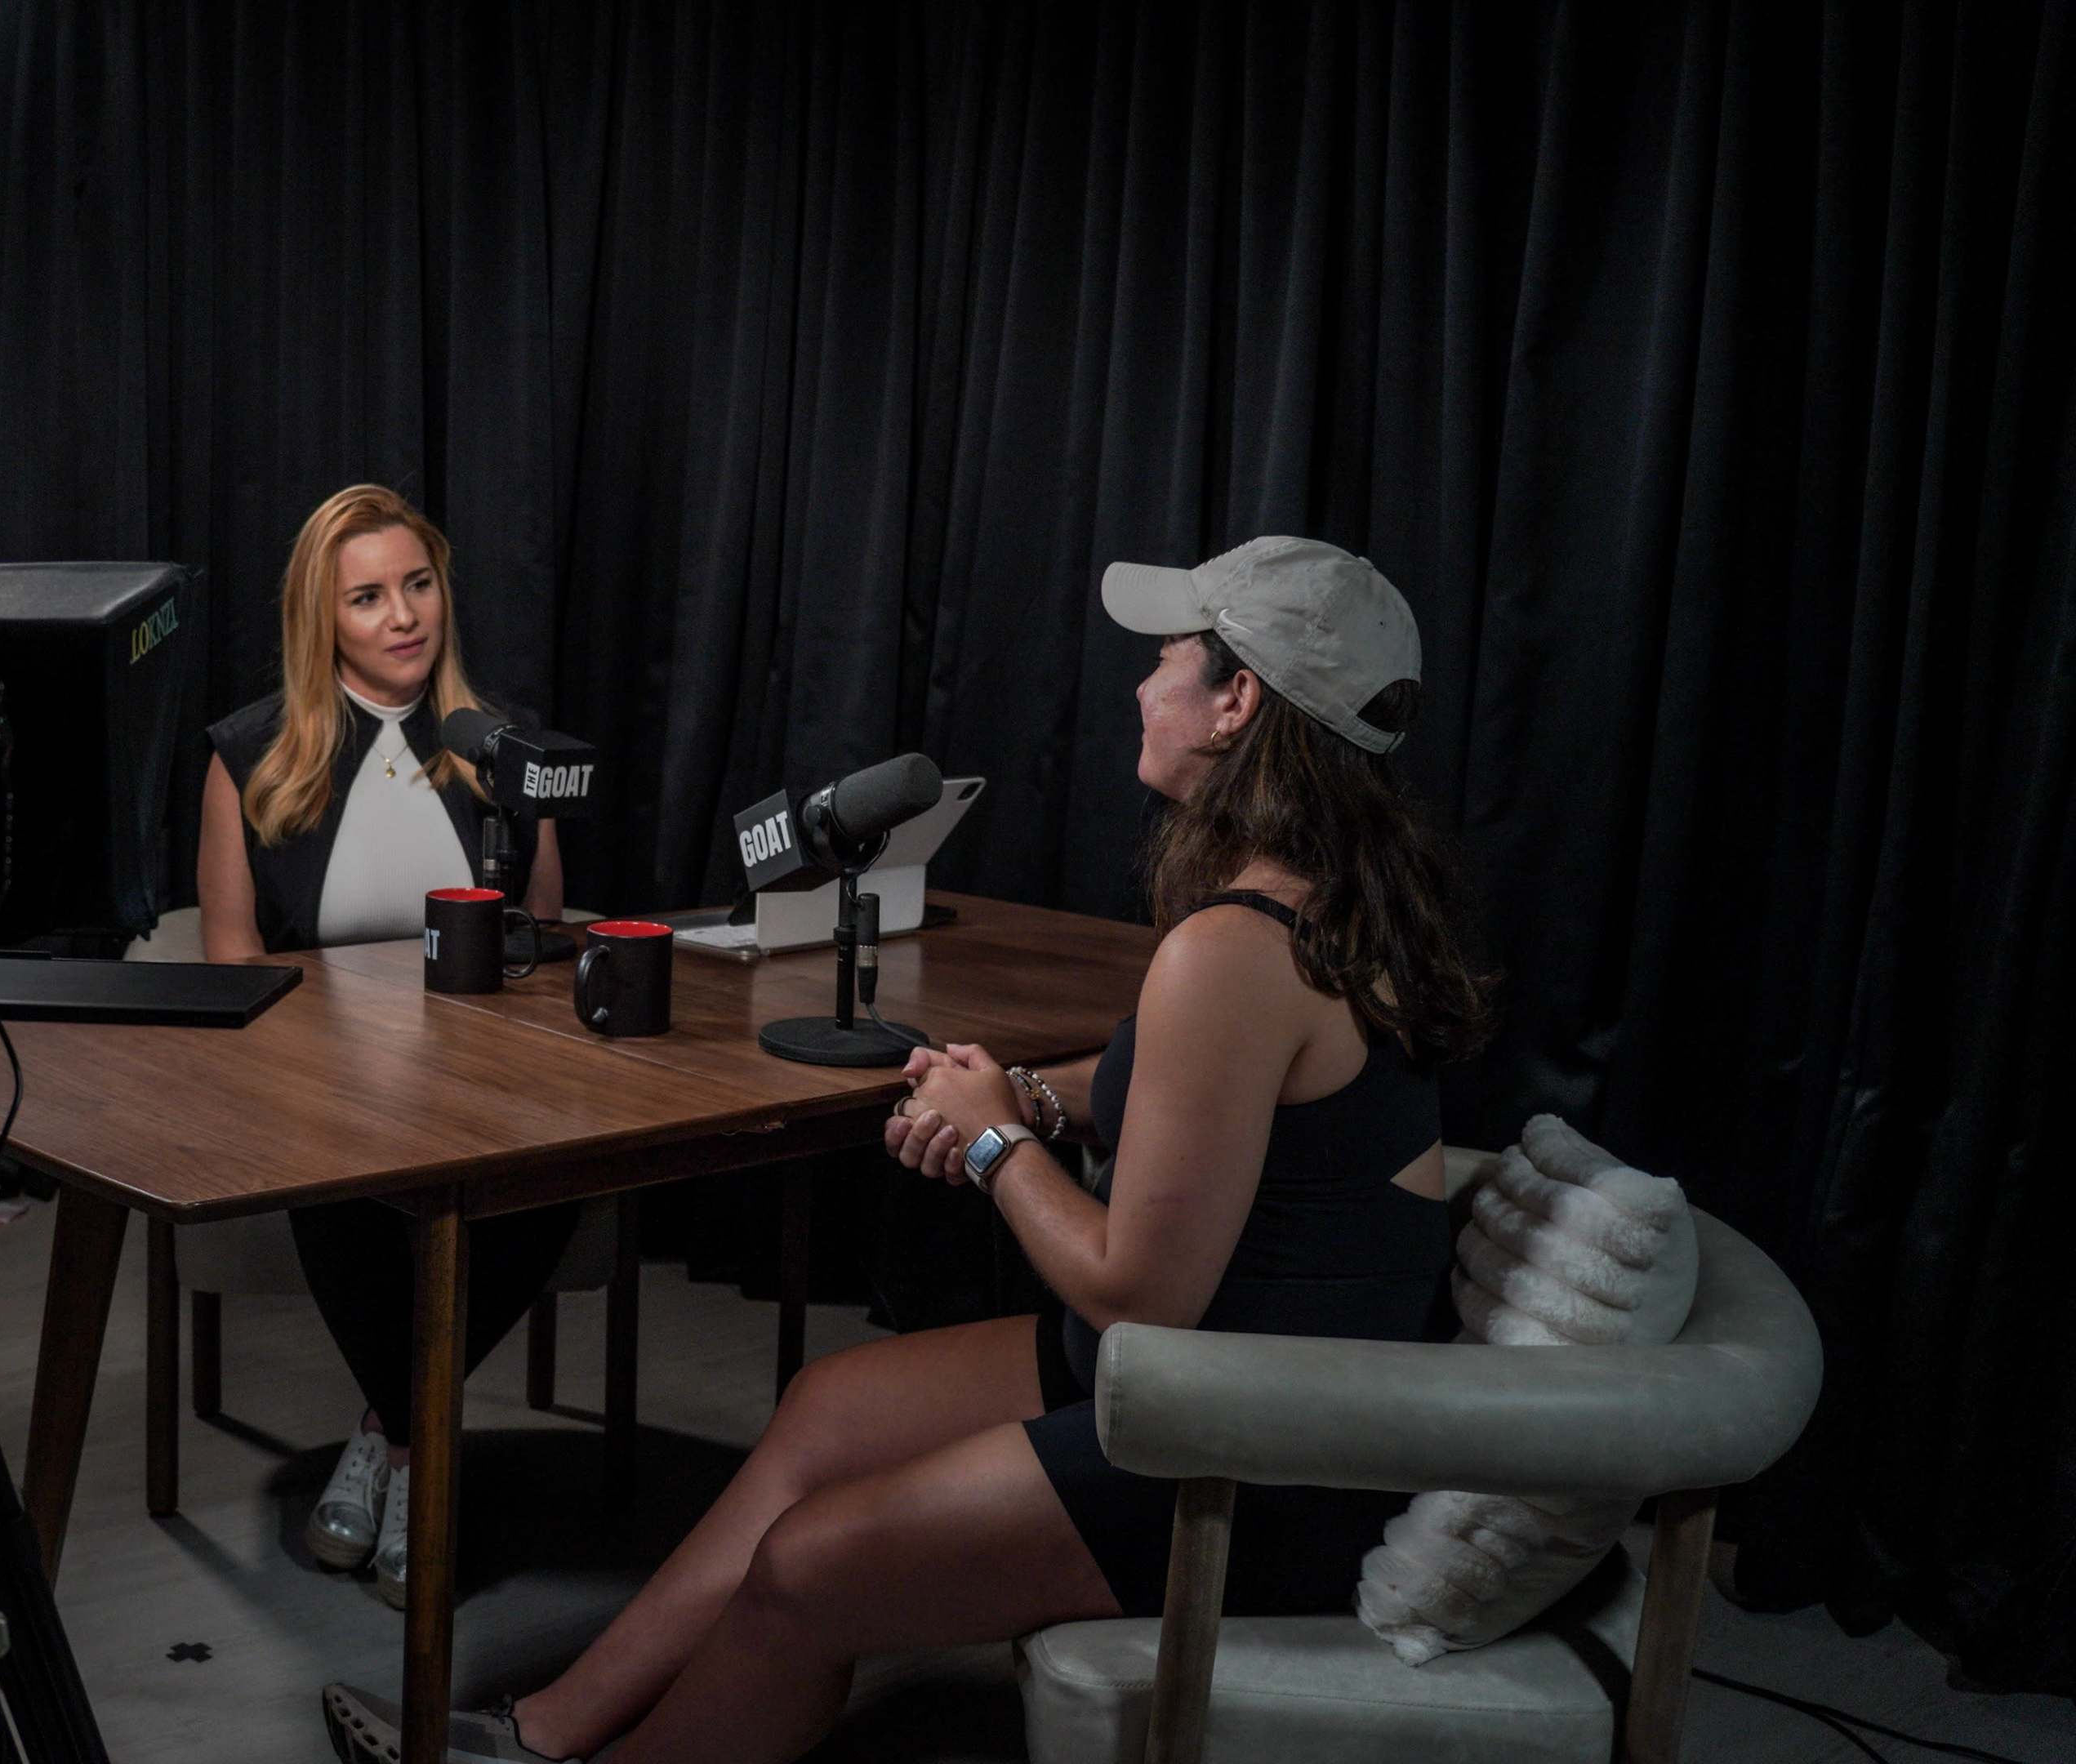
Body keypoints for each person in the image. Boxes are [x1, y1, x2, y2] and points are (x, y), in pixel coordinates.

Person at [323, 536, 1495, 1762]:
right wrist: (1035, 1100)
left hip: (1235, 1461)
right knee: (833, 1405)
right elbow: (1205, 1103)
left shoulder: (1231, 952)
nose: (1143, 689)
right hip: (1241, 1392)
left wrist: (993, 1143)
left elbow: (1138, 1289)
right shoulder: (1322, 907)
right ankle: (538, 1740)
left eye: (1167, 663)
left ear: (1237, 702)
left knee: (809, 1568)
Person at [198, 483, 575, 1609]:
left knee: (550, 1178)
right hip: (322, 1095)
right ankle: (421, 1455)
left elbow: (550, 945)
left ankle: (389, 1442)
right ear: (325, 621)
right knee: (351, 1175)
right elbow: (229, 961)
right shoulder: (251, 754)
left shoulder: (507, 749)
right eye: (368, 597)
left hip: (485, 1086)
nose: (404, 615)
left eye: (418, 585)